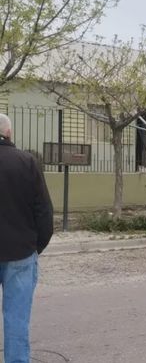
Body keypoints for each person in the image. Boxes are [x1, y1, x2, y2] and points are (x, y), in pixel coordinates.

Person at [0, 113, 53, 363]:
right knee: (17, 317)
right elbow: (44, 211)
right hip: (21, 251)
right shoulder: (27, 162)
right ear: (9, 133)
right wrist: (35, 247)